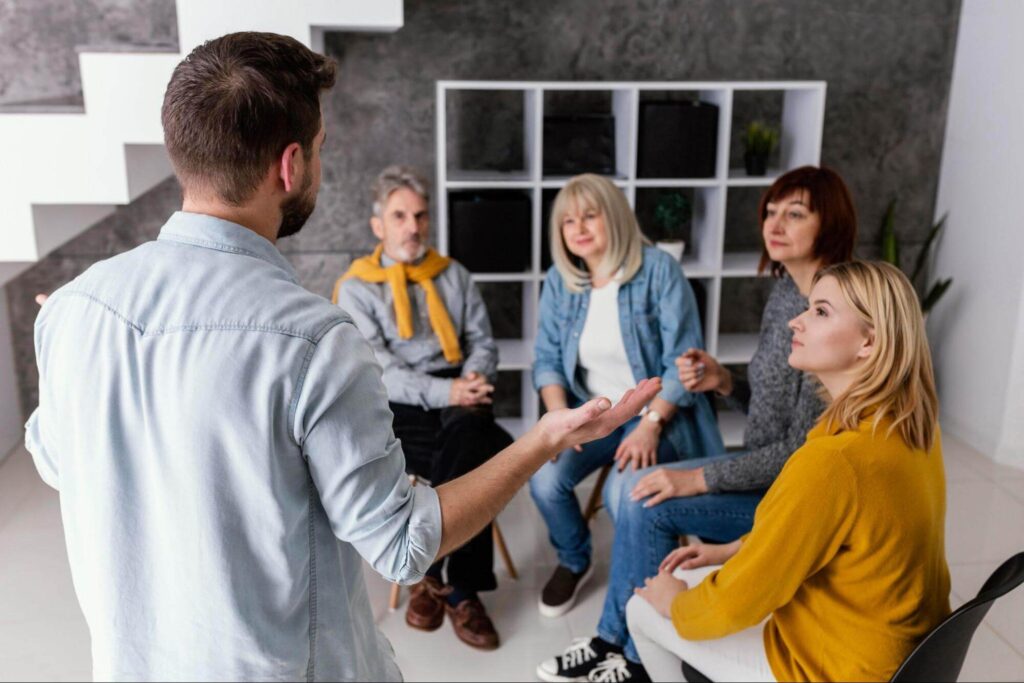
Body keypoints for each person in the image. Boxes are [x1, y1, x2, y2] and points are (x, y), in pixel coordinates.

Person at [24, 32, 663, 682]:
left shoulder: (72, 310)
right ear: (291, 165)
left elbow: (55, 461)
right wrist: (548, 436)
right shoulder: (313, 338)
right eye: (322, 149)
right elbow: (402, 544)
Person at [536, 165, 857, 682]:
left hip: (790, 494)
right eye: (770, 211)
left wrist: (697, 476)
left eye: (795, 213)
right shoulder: (785, 299)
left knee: (640, 495)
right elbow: (773, 413)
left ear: (831, 222)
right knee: (617, 490)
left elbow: (805, 449)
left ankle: (624, 651)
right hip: (767, 475)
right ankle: (619, 641)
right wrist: (723, 381)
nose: (774, 223)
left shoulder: (834, 312)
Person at [628, 260, 951, 683]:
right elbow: (812, 531)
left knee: (641, 609)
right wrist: (733, 549)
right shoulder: (910, 428)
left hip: (832, 667)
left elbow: (734, 606)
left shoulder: (834, 461)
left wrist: (673, 604)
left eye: (820, 311)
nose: (796, 322)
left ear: (869, 342)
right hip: (892, 652)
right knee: (700, 578)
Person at [333, 165, 512, 650]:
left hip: (460, 391)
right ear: (379, 226)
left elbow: (483, 342)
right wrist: (448, 394)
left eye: (420, 215)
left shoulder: (454, 276)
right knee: (485, 451)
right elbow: (381, 370)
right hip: (398, 404)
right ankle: (464, 590)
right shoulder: (357, 287)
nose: (413, 226)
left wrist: (473, 379)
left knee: (471, 434)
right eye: (399, 216)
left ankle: (431, 573)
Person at [530, 174, 723, 620]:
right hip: (593, 411)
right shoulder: (562, 280)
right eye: (568, 221)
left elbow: (683, 360)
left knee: (624, 493)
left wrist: (651, 425)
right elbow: (546, 360)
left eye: (590, 216)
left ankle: (639, 586)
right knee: (543, 480)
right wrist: (560, 416)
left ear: (614, 216)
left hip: (662, 414)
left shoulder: (659, 270)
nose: (578, 228)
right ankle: (575, 559)